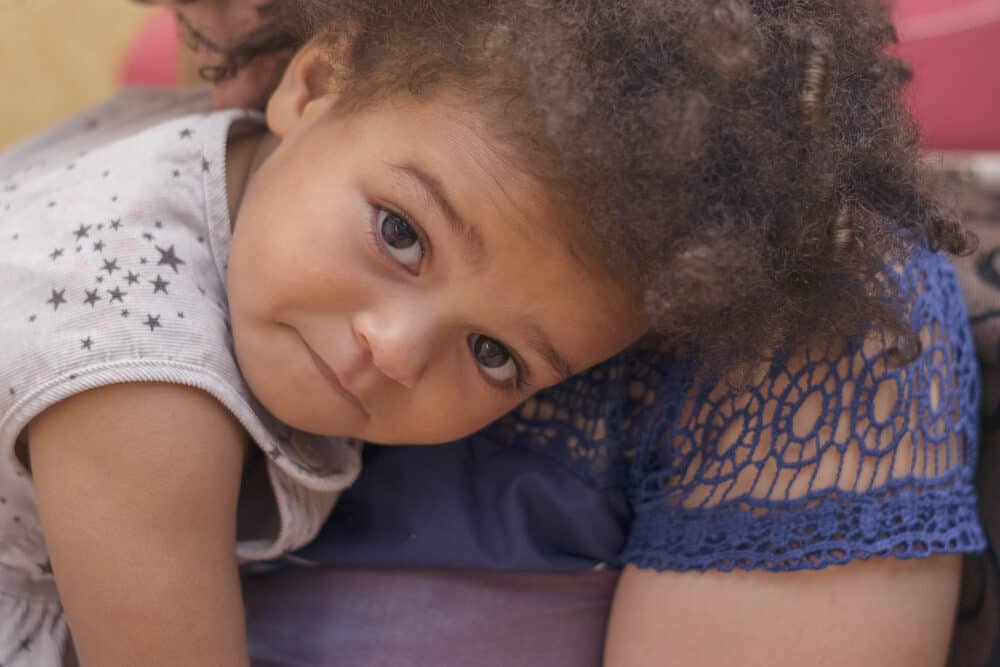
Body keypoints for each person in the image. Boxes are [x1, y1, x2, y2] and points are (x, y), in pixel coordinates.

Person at [8, 2, 985, 666]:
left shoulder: (307, 158)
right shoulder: (136, 372)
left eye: (496, 356)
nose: (392, 349)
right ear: (313, 84)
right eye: (399, 233)